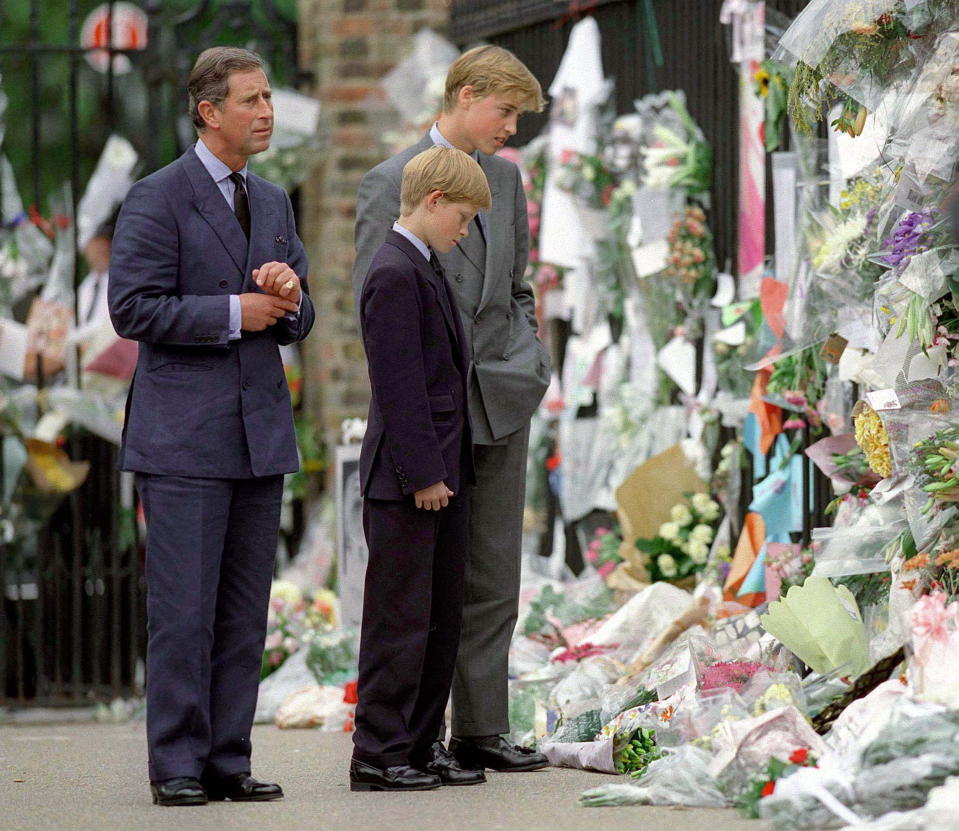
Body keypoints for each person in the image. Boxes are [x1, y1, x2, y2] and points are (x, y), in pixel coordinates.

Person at [108, 46, 315, 807]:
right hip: (184, 437)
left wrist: (290, 293)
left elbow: (301, 317)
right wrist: (236, 312)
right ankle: (179, 762)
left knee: (241, 612)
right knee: (184, 611)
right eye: (252, 100)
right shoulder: (156, 197)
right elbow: (132, 307)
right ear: (209, 112)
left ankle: (230, 756)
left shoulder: (273, 201)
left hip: (259, 433)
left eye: (268, 98)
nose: (266, 112)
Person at [352, 44, 551, 773]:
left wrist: (530, 360)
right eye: (504, 112)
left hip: (502, 397)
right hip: (434, 407)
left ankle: (480, 726)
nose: (511, 129)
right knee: (418, 583)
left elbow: (519, 285)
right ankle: (409, 738)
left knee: (492, 570)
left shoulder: (506, 180)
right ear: (464, 95)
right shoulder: (391, 182)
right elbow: (379, 303)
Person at [350, 146, 490, 792]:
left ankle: (420, 740)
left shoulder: (425, 264)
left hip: (443, 471)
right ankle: (378, 750)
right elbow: (399, 384)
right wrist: (424, 472)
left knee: (440, 613)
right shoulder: (392, 272)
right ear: (432, 202)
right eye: (461, 218)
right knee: (399, 616)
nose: (463, 232)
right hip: (410, 476)